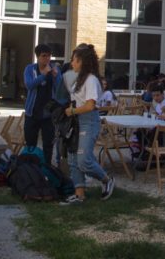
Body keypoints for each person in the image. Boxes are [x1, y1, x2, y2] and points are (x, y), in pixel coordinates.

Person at [60, 44, 115, 204]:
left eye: (74, 60)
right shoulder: (78, 78)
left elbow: (90, 105)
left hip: (88, 121)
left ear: (82, 61)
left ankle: (106, 179)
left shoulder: (91, 80)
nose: (72, 64)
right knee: (72, 159)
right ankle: (79, 195)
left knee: (83, 160)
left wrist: (72, 112)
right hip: (76, 121)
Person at [23, 44, 62, 165]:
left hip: (48, 114)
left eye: (49, 56)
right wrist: (43, 75)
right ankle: (31, 168)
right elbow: (29, 85)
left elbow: (60, 89)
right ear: (37, 57)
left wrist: (56, 77)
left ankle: (47, 167)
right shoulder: (30, 69)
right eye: (44, 56)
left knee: (48, 144)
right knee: (30, 143)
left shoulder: (54, 69)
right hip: (32, 112)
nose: (47, 59)